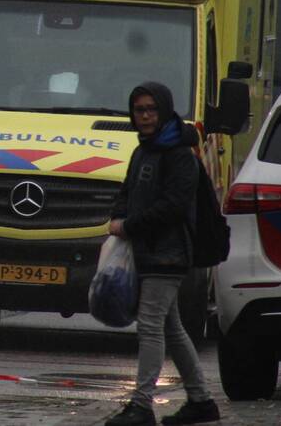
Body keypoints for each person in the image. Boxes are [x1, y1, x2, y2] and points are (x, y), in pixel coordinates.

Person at [106, 82, 219, 426]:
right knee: (172, 329)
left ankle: (141, 405)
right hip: (148, 251)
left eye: (151, 109)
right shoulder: (144, 150)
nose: (145, 116)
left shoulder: (180, 154)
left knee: (150, 325)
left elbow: (173, 206)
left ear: (165, 111)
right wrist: (118, 216)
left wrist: (129, 226)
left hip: (168, 254)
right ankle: (201, 401)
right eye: (139, 110)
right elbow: (128, 191)